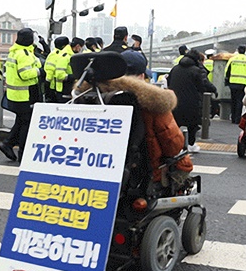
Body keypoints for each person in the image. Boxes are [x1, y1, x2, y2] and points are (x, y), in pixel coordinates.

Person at [77, 49, 193, 186]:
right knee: (183, 164)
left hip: (92, 169)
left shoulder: (87, 98)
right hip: (142, 176)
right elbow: (173, 145)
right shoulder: (154, 103)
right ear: (141, 76)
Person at [0, 28, 44, 162]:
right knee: (26, 124)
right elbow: (25, 74)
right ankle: (23, 153)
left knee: (20, 121)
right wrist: (40, 71)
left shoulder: (16, 52)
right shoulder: (23, 54)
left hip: (16, 94)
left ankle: (7, 144)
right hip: (25, 95)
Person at [168, 49, 207, 153]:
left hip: (175, 101)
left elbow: (169, 82)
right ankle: (191, 144)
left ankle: (175, 146)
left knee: (175, 124)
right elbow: (201, 86)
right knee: (192, 125)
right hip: (191, 102)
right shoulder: (196, 70)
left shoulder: (175, 69)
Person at [225, 45, 246, 124]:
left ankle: (233, 117)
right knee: (239, 101)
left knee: (233, 100)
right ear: (245, 51)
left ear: (237, 50)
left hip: (232, 82)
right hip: (243, 83)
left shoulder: (232, 59)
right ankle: (237, 119)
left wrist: (227, 80)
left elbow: (226, 70)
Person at [54, 37, 83, 103]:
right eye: (81, 48)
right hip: (63, 89)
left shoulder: (71, 55)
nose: (80, 50)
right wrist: (74, 76)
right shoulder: (65, 56)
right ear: (77, 46)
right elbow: (59, 75)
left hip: (68, 88)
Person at [44, 36, 69, 102]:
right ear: (64, 46)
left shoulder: (53, 54)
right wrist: (47, 84)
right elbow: (50, 70)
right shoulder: (56, 55)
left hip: (57, 85)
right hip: (54, 86)